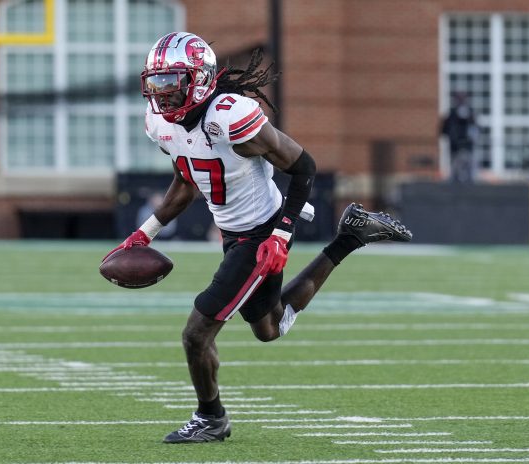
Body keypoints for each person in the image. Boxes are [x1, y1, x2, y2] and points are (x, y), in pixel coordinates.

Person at [103, 32, 413, 444]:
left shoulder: (231, 118)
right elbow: (186, 179)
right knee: (269, 328)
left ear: (197, 79)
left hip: (262, 231)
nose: (162, 96)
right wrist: (144, 234)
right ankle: (350, 237)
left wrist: (281, 235)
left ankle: (210, 417)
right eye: (156, 84)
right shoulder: (161, 123)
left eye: (171, 83)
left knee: (196, 333)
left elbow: (304, 167)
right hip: (235, 232)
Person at [441, 92, 479, 183]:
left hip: (467, 144)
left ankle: (469, 179)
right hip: (455, 144)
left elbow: (475, 128)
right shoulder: (451, 114)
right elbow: (444, 129)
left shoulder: (470, 113)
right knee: (455, 164)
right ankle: (455, 179)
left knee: (469, 163)